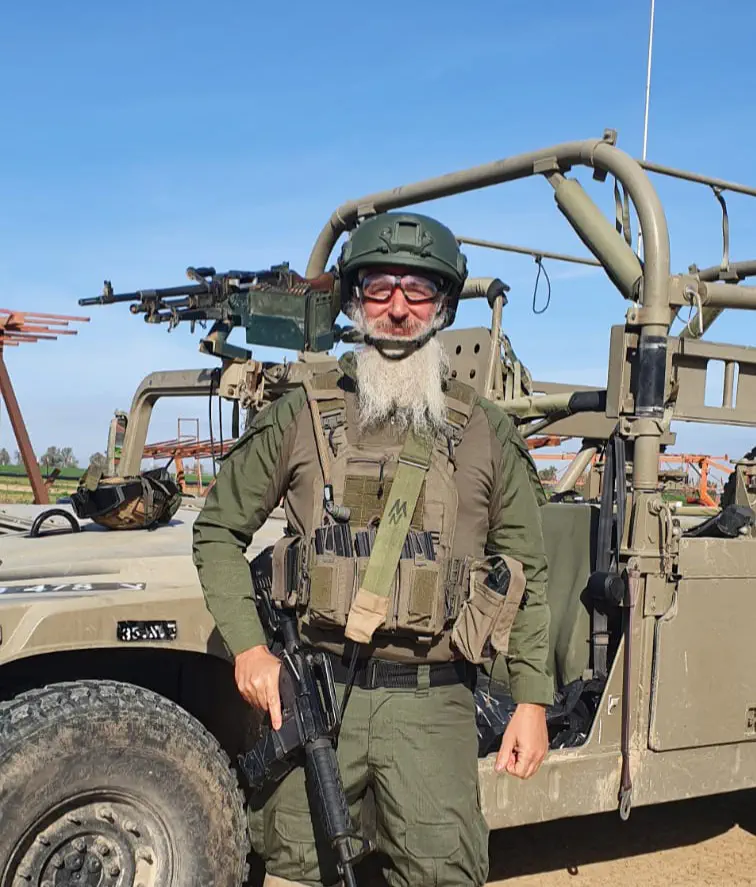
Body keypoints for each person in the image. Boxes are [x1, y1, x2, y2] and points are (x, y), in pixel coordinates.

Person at [193, 211, 552, 887]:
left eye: (418, 291)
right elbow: (216, 531)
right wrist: (249, 648)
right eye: (381, 288)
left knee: (442, 872)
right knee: (299, 869)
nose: (398, 308)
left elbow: (526, 571)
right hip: (316, 693)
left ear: (443, 306)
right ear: (356, 300)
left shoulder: (485, 431)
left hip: (433, 706)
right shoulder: (300, 414)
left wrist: (531, 701)